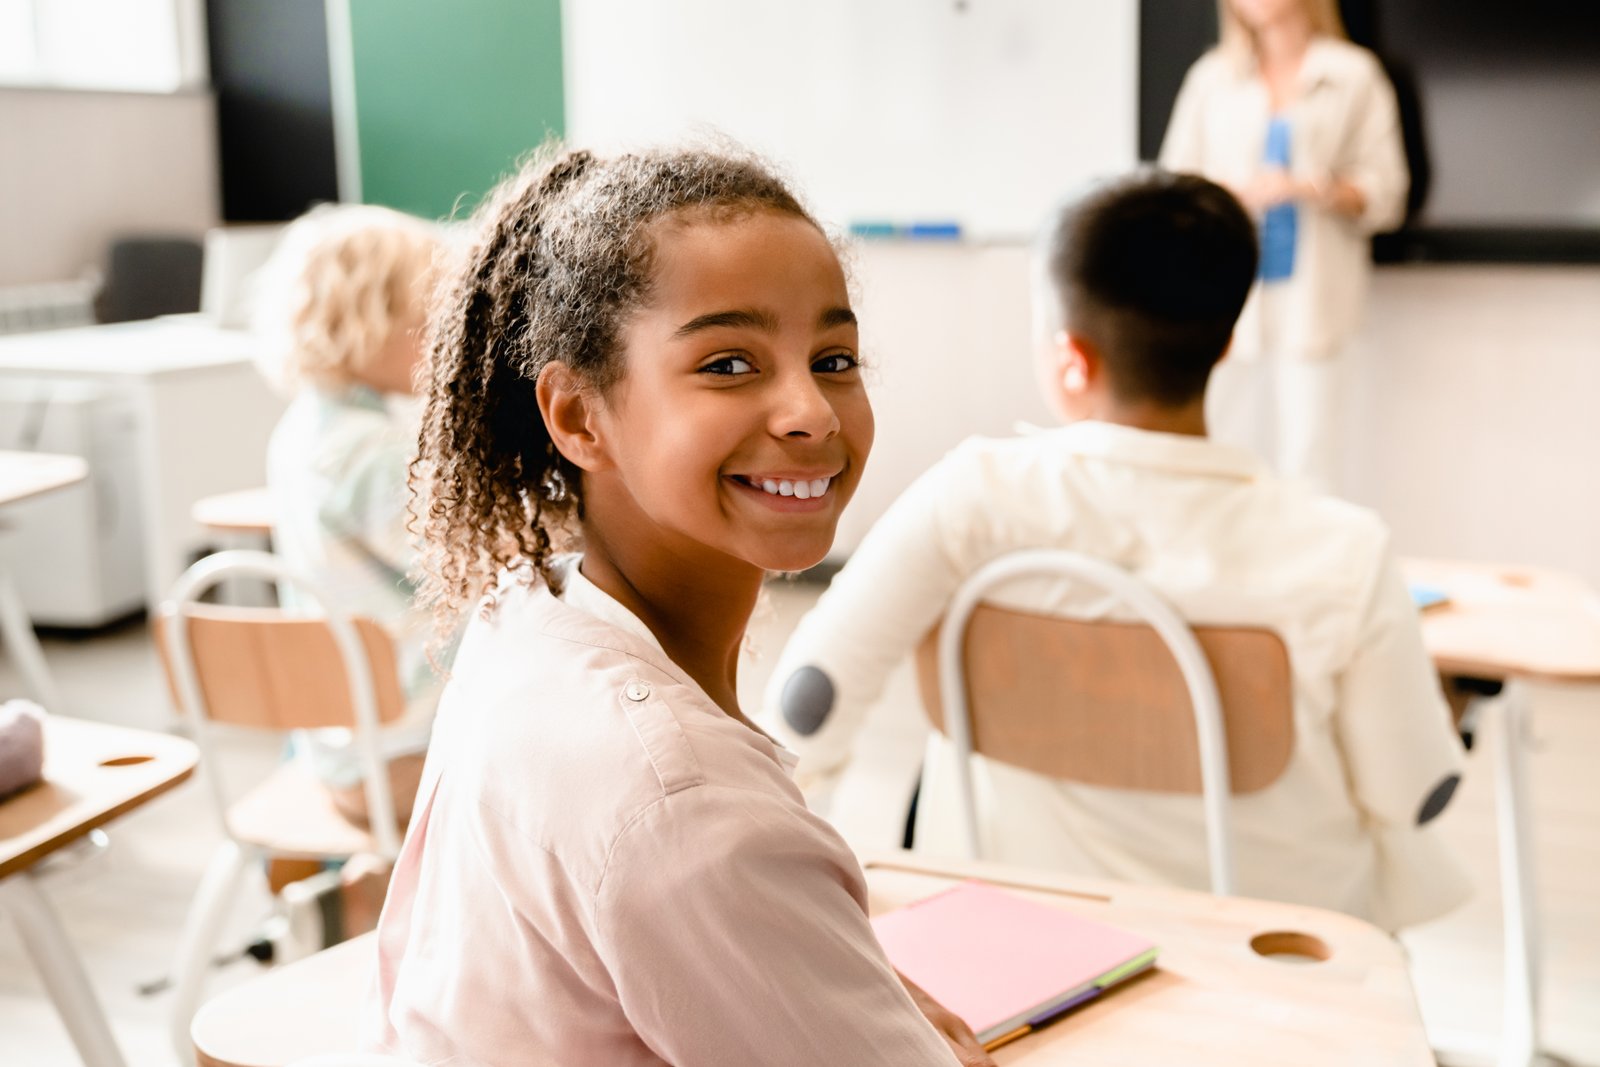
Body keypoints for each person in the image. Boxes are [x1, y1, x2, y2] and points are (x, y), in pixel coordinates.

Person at [364, 145, 994, 1067]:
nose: (811, 410)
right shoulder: (684, 803)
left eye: (834, 357)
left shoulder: (524, 618)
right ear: (579, 417)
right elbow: (683, 840)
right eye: (730, 362)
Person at [762, 170, 1470, 933]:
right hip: (1268, 969)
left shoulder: (970, 496)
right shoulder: (1344, 553)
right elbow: (1416, 794)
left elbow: (806, 706)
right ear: (1227, 341)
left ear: (1071, 356)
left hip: (1018, 946)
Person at [1159, 0, 1408, 495]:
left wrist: (1311, 187)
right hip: (1226, 301)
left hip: (1313, 303)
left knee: (1309, 461)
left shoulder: (1353, 75)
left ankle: (1306, 574)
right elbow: (1174, 188)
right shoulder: (1211, 78)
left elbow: (1388, 193)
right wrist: (1229, 194)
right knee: (1218, 456)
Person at [254, 204, 446, 833]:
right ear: (366, 325)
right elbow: (474, 573)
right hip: (401, 758)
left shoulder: (305, 430)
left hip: (339, 748)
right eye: (427, 320)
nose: (444, 338)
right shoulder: (369, 454)